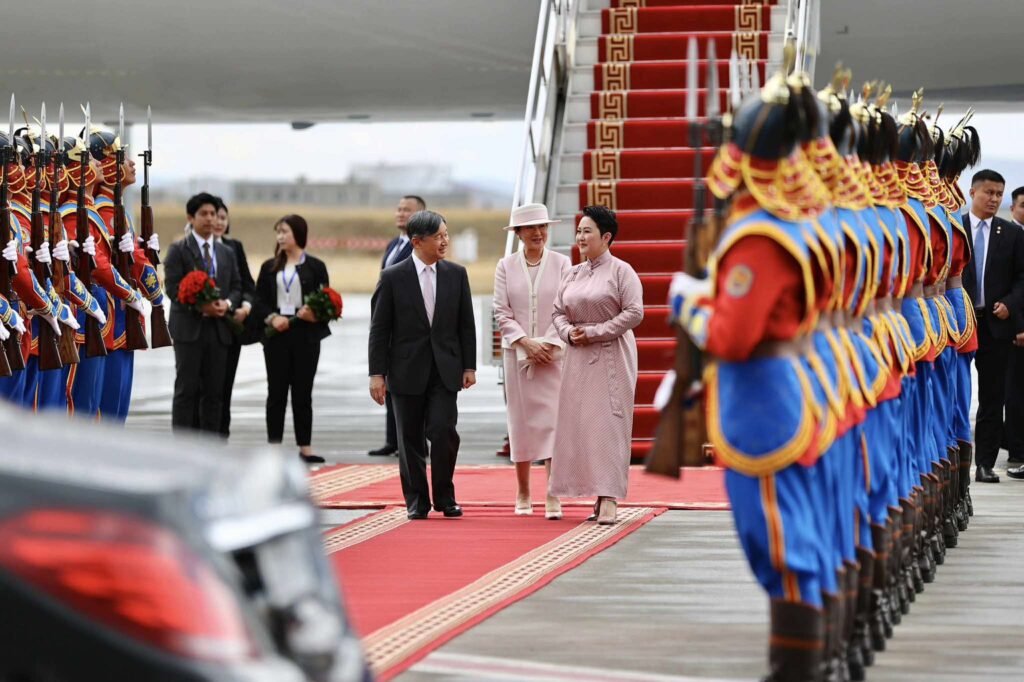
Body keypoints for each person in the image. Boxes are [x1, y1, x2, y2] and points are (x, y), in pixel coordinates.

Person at [368, 210, 477, 520]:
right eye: (438, 236)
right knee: (410, 438)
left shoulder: (457, 274)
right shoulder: (392, 277)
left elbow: (466, 325)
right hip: (405, 370)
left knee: (444, 430)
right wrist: (377, 374)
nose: (445, 241)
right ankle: (417, 500)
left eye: (446, 234)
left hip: (445, 369)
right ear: (417, 242)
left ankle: (445, 496)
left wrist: (469, 366)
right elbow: (379, 329)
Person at [549, 205, 643, 526]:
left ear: (606, 237)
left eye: (587, 231)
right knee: (582, 425)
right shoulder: (572, 273)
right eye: (578, 231)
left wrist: (595, 332)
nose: (580, 237)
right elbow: (557, 312)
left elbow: (634, 312)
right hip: (578, 356)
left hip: (611, 354)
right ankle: (594, 493)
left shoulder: (621, 271)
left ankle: (610, 496)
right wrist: (568, 333)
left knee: (609, 424)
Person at [493, 203, 571, 519]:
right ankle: (523, 491)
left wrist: (547, 344)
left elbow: (566, 308)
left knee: (553, 423)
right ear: (519, 233)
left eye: (543, 227)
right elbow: (502, 312)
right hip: (517, 354)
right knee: (521, 423)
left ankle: (553, 493)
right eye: (531, 228)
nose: (538, 233)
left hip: (553, 355)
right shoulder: (505, 266)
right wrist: (525, 343)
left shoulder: (562, 263)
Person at [962, 169, 1024, 482]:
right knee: (957, 393)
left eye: (999, 194)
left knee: (992, 396)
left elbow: (1022, 279)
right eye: (989, 192)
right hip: (959, 324)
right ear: (973, 192)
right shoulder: (954, 228)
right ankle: (952, 459)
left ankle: (984, 464)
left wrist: (1010, 304)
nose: (994, 199)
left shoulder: (1011, 234)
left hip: (995, 325)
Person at [254, 215, 331, 464]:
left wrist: (314, 314)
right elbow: (259, 300)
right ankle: (274, 447)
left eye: (284, 231)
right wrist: (272, 318)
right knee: (276, 392)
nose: (280, 237)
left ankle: (305, 447)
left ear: (298, 234)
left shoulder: (316, 266)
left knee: (303, 393)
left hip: (305, 335)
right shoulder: (269, 267)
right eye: (278, 232)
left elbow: (327, 300)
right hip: (276, 335)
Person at [163, 192, 242, 435]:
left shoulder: (226, 252)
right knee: (186, 390)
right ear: (191, 217)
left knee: (214, 392)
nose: (209, 219)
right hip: (189, 330)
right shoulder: (178, 249)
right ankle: (183, 445)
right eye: (203, 214)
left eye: (213, 214)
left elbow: (236, 286)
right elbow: (172, 288)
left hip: (218, 330)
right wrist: (199, 305)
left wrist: (227, 304)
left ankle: (211, 446)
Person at [368, 194, 425, 457]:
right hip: (389, 327)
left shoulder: (419, 247)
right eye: (399, 209)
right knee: (391, 383)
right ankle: (393, 439)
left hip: (410, 328)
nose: (400, 213)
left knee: (411, 387)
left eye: (407, 210)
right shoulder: (394, 244)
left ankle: (414, 442)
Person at [214, 199, 258, 437]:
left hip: (230, 327)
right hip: (201, 328)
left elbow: (247, 285)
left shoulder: (234, 247)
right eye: (214, 216)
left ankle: (222, 434)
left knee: (225, 384)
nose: (219, 222)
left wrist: (246, 307)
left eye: (223, 217)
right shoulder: (190, 246)